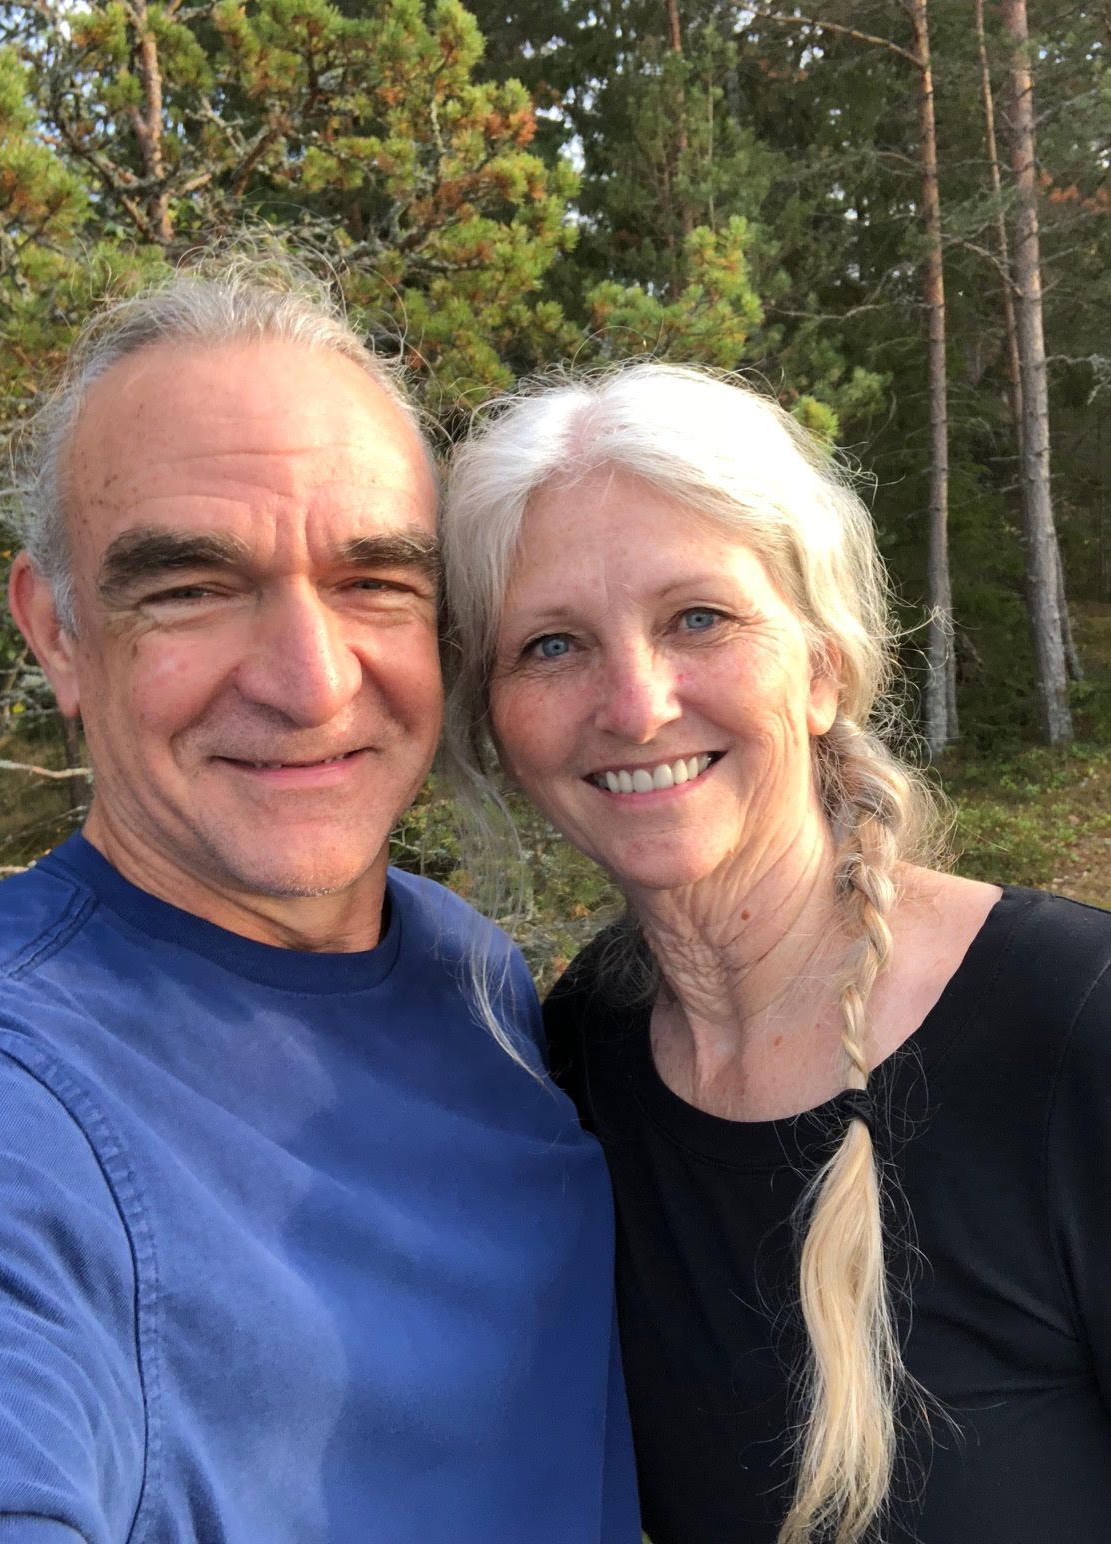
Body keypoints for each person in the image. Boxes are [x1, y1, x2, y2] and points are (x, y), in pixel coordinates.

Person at [0, 259, 641, 1542]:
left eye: (375, 579)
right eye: (191, 587)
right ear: (56, 633)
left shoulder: (474, 979)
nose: (312, 682)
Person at [440, 361, 1111, 1544]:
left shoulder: (1071, 1029)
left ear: (820, 664)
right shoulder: (569, 1068)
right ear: (497, 719)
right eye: (550, 643)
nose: (634, 702)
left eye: (696, 617)